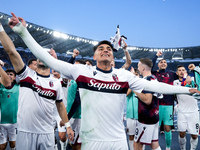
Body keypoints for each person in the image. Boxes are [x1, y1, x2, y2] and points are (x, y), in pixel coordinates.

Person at [9, 13, 200, 150]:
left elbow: (154, 85)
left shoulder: (123, 76)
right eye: (101, 48)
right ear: (94, 55)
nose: (105, 50)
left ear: (112, 55)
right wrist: (23, 32)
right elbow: (49, 60)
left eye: (108, 48)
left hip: (118, 141)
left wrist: (186, 91)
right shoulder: (82, 71)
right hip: (91, 141)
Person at [0, 21, 74, 150]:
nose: (44, 56)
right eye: (41, 54)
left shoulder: (56, 82)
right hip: (25, 131)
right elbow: (11, 51)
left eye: (48, 55)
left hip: (47, 133)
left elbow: (60, 105)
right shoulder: (26, 75)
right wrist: (0, 28)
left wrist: (67, 125)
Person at [152, 50, 178, 150]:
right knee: (154, 127)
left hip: (168, 105)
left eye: (165, 62)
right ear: (158, 65)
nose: (163, 63)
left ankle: (168, 147)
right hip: (156, 104)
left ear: (167, 65)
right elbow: (149, 66)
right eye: (161, 62)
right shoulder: (155, 73)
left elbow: (181, 77)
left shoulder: (172, 74)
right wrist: (156, 56)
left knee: (167, 128)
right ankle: (155, 146)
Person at [133, 58, 162, 150]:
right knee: (154, 144)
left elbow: (147, 100)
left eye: (138, 66)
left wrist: (135, 89)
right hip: (153, 116)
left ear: (143, 68)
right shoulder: (153, 78)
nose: (138, 68)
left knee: (137, 145)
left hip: (146, 119)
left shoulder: (147, 80)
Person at [174, 65, 199, 150]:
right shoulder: (175, 83)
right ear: (177, 73)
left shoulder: (194, 80)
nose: (181, 71)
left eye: (183, 70)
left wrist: (191, 77)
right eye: (179, 70)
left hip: (193, 112)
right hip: (182, 112)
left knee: (194, 135)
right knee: (181, 133)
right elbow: (182, 88)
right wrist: (186, 79)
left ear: (186, 71)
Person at [67, 59, 86, 150]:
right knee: (73, 144)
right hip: (72, 116)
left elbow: (77, 101)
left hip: (78, 118)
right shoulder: (73, 80)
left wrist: (67, 118)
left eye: (76, 66)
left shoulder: (80, 82)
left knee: (77, 145)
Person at [0, 60, 19, 150]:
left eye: (11, 74)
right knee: (2, 146)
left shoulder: (18, 87)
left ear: (15, 77)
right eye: (6, 74)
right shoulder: (0, 87)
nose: (8, 75)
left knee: (13, 145)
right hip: (1, 122)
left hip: (14, 122)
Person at [126, 67, 139, 150]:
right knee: (131, 136)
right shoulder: (128, 85)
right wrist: (132, 82)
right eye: (133, 75)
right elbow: (126, 93)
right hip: (130, 114)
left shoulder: (143, 84)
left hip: (141, 115)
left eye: (136, 75)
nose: (135, 76)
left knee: (140, 137)